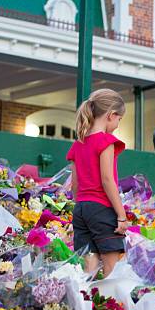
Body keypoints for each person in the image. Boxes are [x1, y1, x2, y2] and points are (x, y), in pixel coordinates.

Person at [66, 88, 131, 277]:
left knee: (89, 269)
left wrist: (81, 207)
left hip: (81, 210)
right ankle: (111, 306)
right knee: (112, 268)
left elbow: (75, 185)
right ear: (111, 115)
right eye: (119, 120)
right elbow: (107, 179)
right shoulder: (106, 141)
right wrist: (121, 215)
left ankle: (86, 303)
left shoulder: (78, 144)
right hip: (102, 209)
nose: (118, 125)